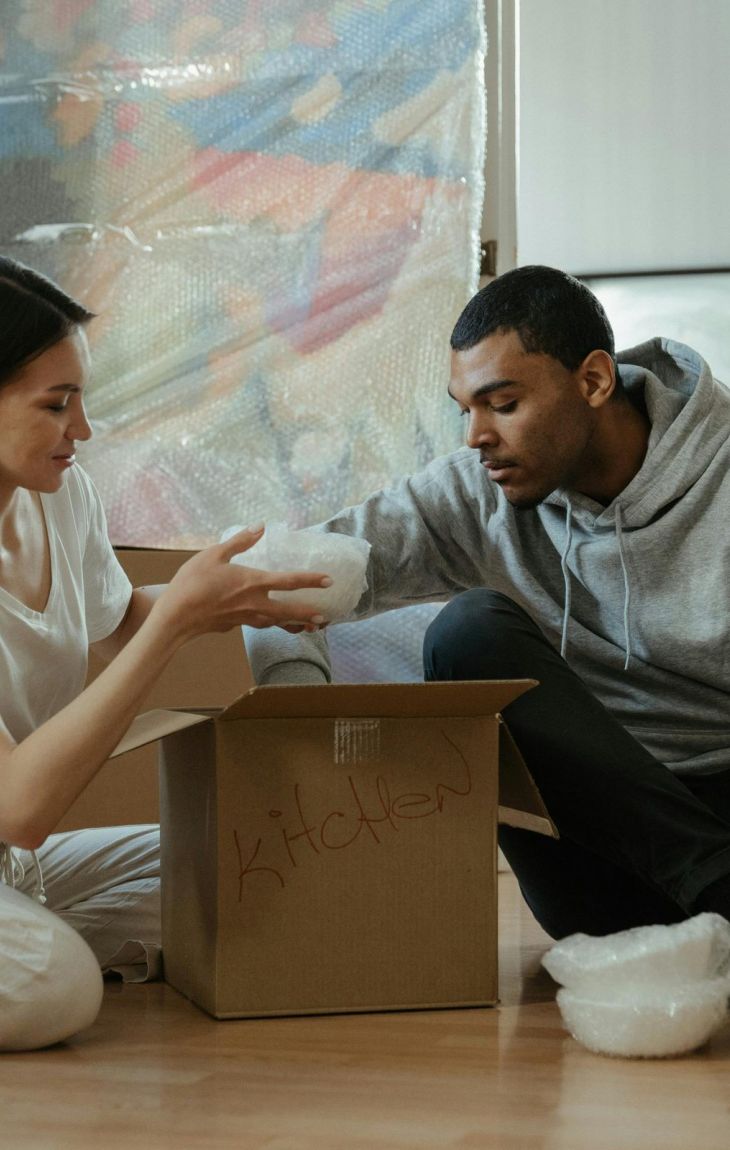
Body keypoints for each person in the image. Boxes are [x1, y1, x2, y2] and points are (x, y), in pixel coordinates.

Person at [245, 264, 730, 942]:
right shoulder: (476, 492)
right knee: (469, 632)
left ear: (593, 381)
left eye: (502, 405)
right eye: (464, 409)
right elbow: (272, 580)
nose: (475, 436)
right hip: (607, 865)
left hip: (720, 804)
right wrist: (296, 720)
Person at [0, 256, 332, 1050]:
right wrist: (174, 622)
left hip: (12, 867)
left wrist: (228, 598)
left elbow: (120, 622)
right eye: (57, 405)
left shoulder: (59, 496)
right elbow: (20, 808)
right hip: (16, 829)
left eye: (80, 399)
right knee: (59, 987)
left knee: (264, 868)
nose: (82, 430)